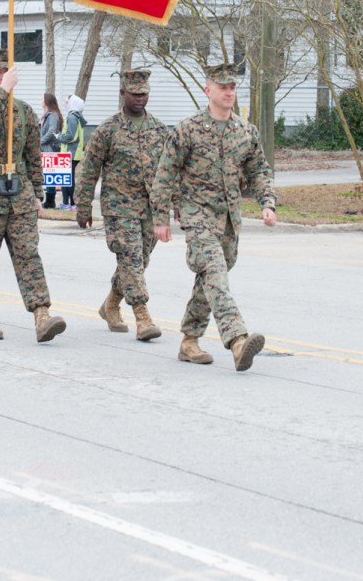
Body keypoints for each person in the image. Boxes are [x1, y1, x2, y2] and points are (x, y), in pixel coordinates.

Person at [150, 64, 276, 371]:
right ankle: (237, 340)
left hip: (230, 220)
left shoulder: (245, 132)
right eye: (223, 87)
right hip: (197, 216)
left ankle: (189, 340)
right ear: (208, 90)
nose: (229, 92)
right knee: (216, 274)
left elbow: (259, 171)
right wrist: (160, 217)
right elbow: (165, 173)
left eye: (232, 87)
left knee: (210, 279)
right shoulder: (188, 129)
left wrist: (267, 203)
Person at [0, 49, 66, 343]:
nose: (2, 75)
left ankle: (41, 314)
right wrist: (3, 92)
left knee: (29, 255)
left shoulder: (24, 111)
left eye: (6, 71)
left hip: (20, 195)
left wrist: (38, 192)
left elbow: (33, 155)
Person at [76, 69, 170, 342]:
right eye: (134, 94)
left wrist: (174, 204)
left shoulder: (159, 129)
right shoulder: (108, 130)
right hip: (119, 207)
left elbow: (169, 171)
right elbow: (89, 170)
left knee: (138, 262)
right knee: (130, 258)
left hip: (149, 208)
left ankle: (110, 305)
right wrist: (83, 206)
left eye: (144, 94)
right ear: (122, 93)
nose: (140, 98)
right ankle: (143, 317)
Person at [58, 94, 86, 209]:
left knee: (67, 179)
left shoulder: (72, 117)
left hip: (70, 153)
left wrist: (59, 137)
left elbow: (71, 136)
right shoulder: (76, 116)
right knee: (66, 179)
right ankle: (66, 203)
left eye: (67, 101)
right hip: (72, 153)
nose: (66, 104)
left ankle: (72, 204)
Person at [39, 92, 63, 210]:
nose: (41, 101)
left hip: (50, 148)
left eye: (42, 99)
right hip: (46, 147)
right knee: (48, 175)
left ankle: (50, 202)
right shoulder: (47, 115)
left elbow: (52, 131)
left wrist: (40, 142)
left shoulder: (53, 115)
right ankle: (48, 201)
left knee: (50, 175)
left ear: (47, 101)